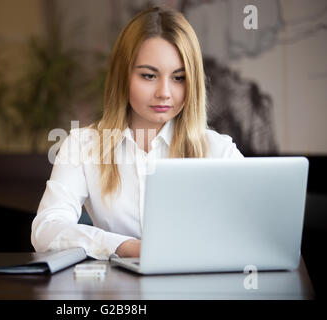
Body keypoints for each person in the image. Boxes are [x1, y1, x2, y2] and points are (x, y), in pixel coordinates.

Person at [31, 6, 243, 260]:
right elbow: (46, 230)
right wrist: (126, 247)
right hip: (115, 294)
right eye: (149, 75)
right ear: (123, 76)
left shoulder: (219, 151)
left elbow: (256, 230)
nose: (164, 92)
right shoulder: (82, 145)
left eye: (178, 78)